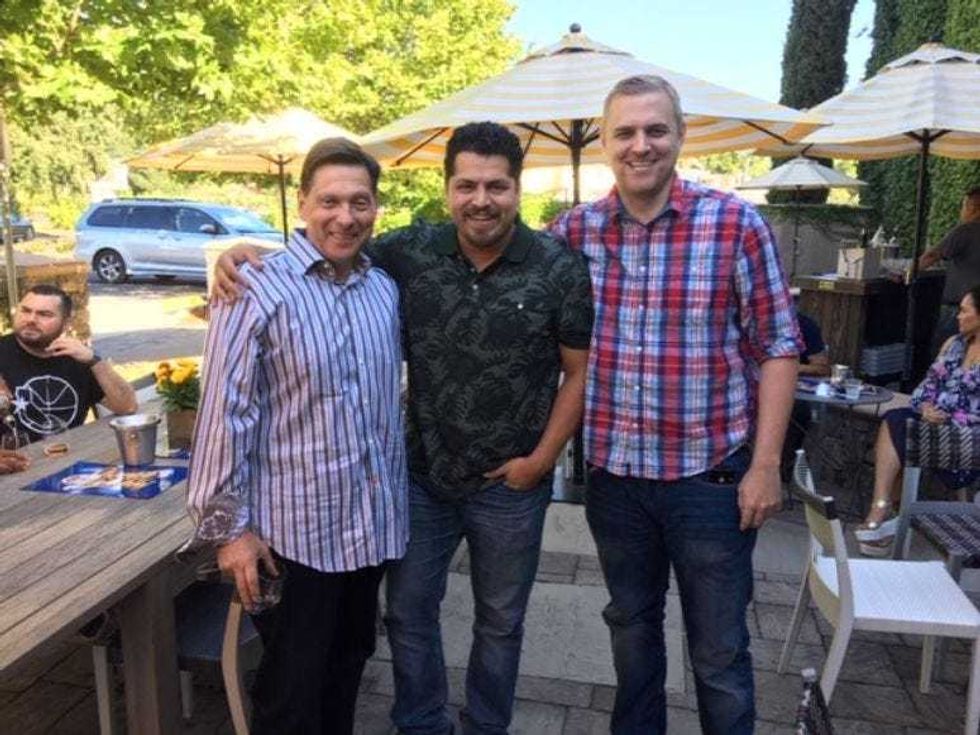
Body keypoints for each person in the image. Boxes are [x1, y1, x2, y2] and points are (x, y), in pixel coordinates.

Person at [212, 122, 594, 735]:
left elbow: (578, 372)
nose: (481, 199)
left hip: (510, 486)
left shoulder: (557, 266)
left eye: (496, 186)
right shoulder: (408, 253)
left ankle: (486, 726)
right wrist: (239, 252)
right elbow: (328, 245)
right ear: (447, 190)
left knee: (499, 622)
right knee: (408, 618)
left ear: (517, 189)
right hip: (419, 481)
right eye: (466, 185)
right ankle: (420, 725)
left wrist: (542, 460)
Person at [549, 75, 801, 734]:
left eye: (656, 129)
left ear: (681, 135)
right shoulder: (572, 232)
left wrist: (766, 465)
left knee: (718, 652)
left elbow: (779, 345)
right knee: (631, 635)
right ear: (605, 143)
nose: (641, 145)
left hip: (710, 480)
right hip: (614, 479)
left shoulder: (735, 224)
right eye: (626, 132)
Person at [186, 138, 409, 734]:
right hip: (293, 537)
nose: (345, 216)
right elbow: (224, 414)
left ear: (376, 207)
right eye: (330, 201)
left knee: (347, 670)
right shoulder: (255, 287)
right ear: (304, 203)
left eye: (360, 202)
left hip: (369, 529)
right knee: (290, 694)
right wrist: (229, 531)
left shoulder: (383, 289)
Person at [855, 283, 980, 557]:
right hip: (930, 426)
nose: (958, 317)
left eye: (964, 311)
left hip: (968, 440)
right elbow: (926, 388)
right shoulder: (953, 345)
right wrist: (925, 408)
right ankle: (883, 509)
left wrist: (949, 418)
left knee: (903, 431)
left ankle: (885, 514)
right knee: (897, 419)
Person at [0, 284, 136, 446]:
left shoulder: (78, 357)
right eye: (25, 311)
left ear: (65, 324)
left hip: (69, 453)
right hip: (13, 458)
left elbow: (127, 407)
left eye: (44, 314)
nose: (31, 319)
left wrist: (95, 361)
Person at [919, 187, 980, 356]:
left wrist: (908, 271)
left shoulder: (965, 231)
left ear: (973, 207)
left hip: (960, 306)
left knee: (944, 353)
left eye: (964, 205)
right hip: (977, 306)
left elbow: (932, 255)